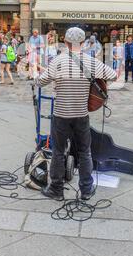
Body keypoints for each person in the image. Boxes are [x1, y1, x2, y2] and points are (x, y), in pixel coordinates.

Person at [35, 27, 117, 201]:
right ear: (84, 43)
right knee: (84, 152)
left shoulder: (59, 60)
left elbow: (40, 82)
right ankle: (86, 190)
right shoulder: (90, 61)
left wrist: (36, 75)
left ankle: (56, 190)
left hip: (61, 115)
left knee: (57, 151)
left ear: (65, 42)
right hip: (81, 115)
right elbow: (113, 74)